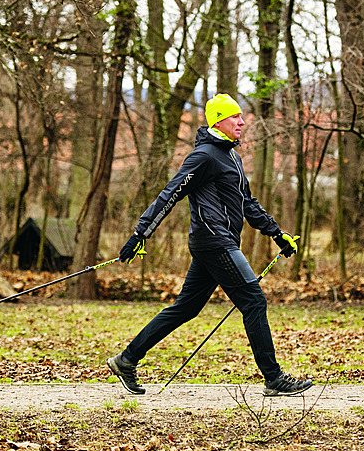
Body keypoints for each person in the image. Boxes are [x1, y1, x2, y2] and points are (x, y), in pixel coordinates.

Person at [107, 93, 313, 397]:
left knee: (185, 308)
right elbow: (170, 193)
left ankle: (126, 360)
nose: (242, 122)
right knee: (254, 301)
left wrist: (276, 233)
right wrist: (140, 233)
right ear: (218, 120)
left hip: (217, 243)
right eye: (235, 117)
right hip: (214, 242)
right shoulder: (204, 156)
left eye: (242, 117)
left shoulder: (232, 156)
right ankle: (273, 378)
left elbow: (247, 202)